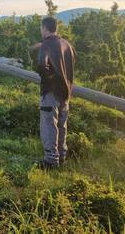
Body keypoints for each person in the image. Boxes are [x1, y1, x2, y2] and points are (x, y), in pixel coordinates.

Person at [31, 17, 76, 169]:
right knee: (62, 125)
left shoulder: (46, 44)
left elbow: (41, 65)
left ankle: (51, 161)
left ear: (44, 28)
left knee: (49, 125)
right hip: (66, 92)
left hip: (51, 91)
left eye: (40, 28)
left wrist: (48, 81)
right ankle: (61, 157)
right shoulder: (67, 45)